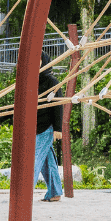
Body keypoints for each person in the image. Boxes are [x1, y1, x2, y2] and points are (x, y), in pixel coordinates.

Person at [36, 67, 65, 202]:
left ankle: (24, 192)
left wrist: (58, 128)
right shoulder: (31, 80)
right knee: (47, 161)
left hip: (46, 127)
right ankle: (54, 192)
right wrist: (1, 119)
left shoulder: (51, 81)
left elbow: (58, 105)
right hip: (33, 126)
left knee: (33, 160)